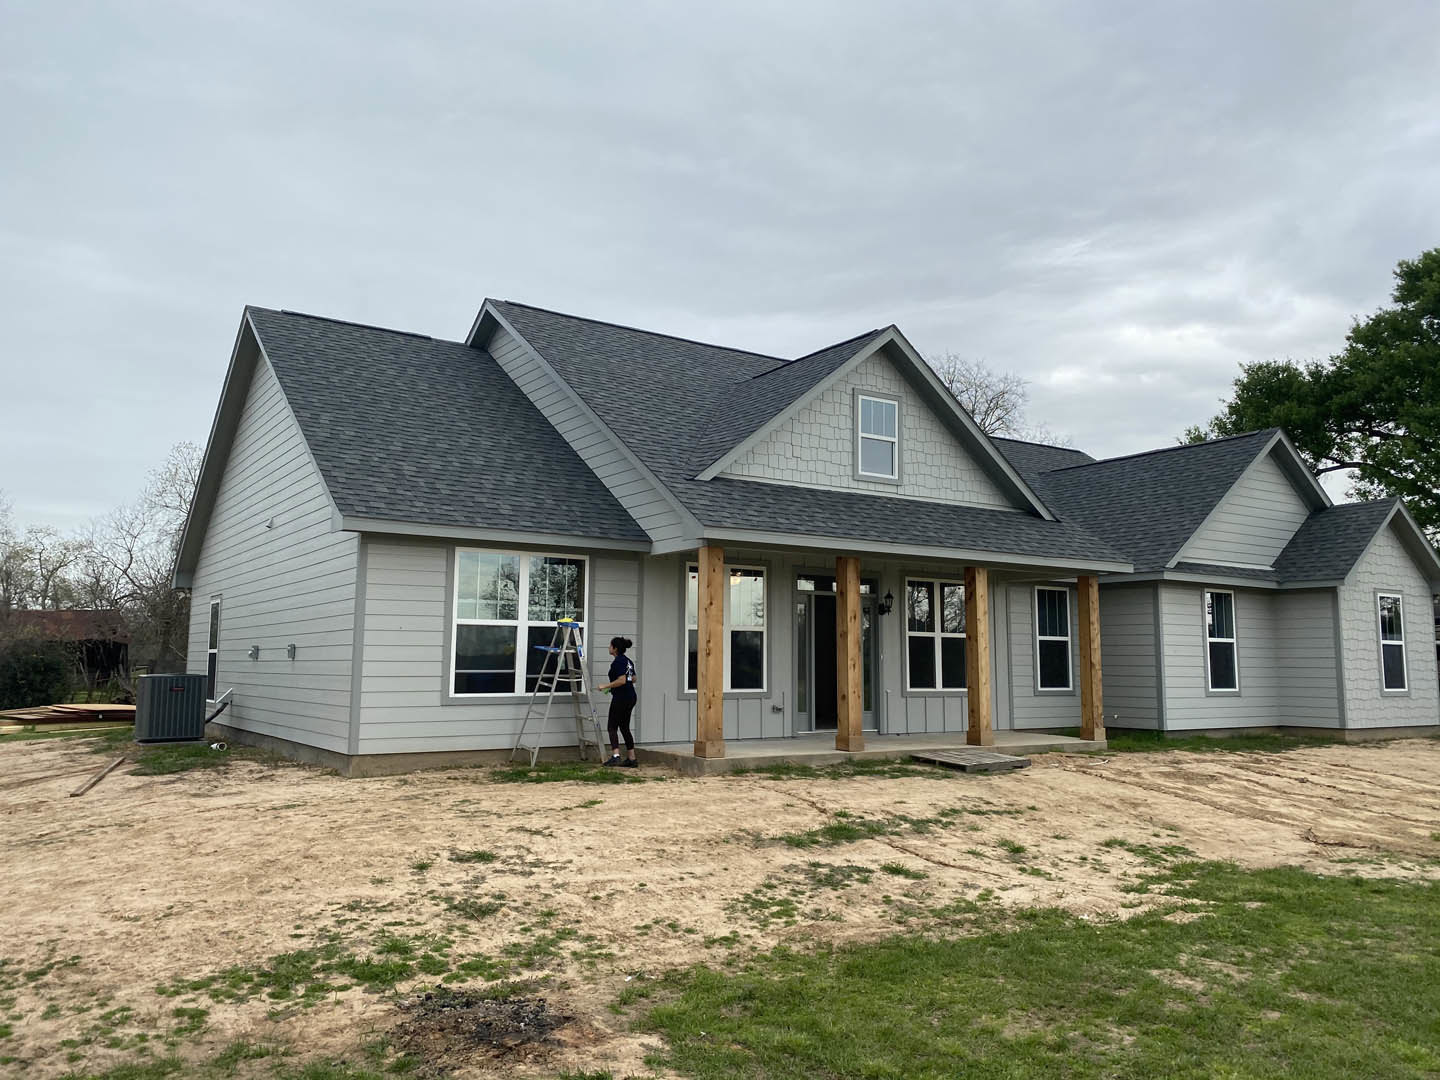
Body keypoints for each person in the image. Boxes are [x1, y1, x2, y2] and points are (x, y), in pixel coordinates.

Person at [597, 636, 638, 767]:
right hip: (630, 696)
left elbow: (621, 680)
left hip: (622, 698)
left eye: (610, 646)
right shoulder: (628, 661)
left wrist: (606, 686)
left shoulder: (618, 662)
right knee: (624, 727)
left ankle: (616, 756)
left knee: (612, 726)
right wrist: (615, 687)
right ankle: (632, 759)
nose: (609, 647)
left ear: (615, 648)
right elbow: (633, 679)